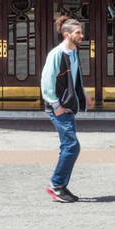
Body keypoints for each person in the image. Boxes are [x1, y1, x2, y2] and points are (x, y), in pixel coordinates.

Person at [40, 15, 89, 202]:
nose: (82, 35)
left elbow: (75, 79)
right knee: (72, 146)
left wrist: (83, 96)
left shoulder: (73, 52)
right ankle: (56, 185)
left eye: (81, 32)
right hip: (58, 107)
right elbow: (46, 82)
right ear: (67, 34)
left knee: (68, 146)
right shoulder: (56, 54)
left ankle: (61, 187)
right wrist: (55, 105)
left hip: (67, 105)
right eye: (78, 33)